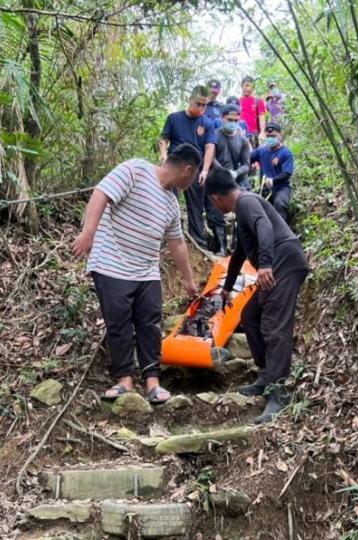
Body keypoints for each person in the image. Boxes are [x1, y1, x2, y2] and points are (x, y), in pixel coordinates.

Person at [73, 144, 202, 405]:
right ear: (187, 170)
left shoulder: (171, 203)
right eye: (195, 175)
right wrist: (89, 232)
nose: (193, 181)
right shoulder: (136, 170)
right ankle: (124, 380)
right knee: (119, 323)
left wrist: (188, 280)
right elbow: (101, 194)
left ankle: (152, 381)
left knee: (150, 322)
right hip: (112, 263)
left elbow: (176, 243)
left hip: (146, 270)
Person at [205, 169, 309, 424]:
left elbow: (264, 226)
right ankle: (266, 375)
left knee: (274, 325)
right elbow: (240, 252)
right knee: (250, 315)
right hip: (278, 263)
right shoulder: (242, 213)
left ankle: (278, 393)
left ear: (216, 197)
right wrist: (227, 287)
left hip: (284, 262)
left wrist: (265, 264)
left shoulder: (247, 201)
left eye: (210, 201)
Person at [159, 85, 218, 250]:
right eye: (197, 104)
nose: (200, 108)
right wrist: (163, 155)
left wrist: (205, 170)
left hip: (194, 169)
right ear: (189, 100)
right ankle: (168, 241)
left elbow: (209, 148)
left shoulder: (207, 123)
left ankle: (198, 243)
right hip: (174, 166)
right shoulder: (174, 118)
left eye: (204, 105)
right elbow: (163, 139)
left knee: (196, 207)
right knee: (170, 203)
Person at [210, 104, 253, 256]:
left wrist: (235, 173)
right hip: (217, 178)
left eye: (236, 120)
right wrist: (223, 172)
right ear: (222, 118)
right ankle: (221, 246)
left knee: (242, 214)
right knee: (214, 211)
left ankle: (237, 248)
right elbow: (211, 157)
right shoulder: (214, 136)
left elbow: (247, 165)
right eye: (230, 119)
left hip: (237, 180)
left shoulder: (242, 140)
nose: (233, 122)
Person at [250, 122, 294, 222]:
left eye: (273, 136)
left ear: (280, 135)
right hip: (264, 189)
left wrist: (273, 180)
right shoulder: (262, 150)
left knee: (280, 204)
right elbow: (248, 159)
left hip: (281, 188)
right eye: (268, 136)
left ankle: (283, 234)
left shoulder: (286, 153)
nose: (270, 138)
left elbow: (287, 173)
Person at [238, 76, 267, 147]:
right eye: (246, 85)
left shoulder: (258, 101)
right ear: (242, 86)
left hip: (254, 134)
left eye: (251, 87)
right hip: (239, 134)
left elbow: (261, 117)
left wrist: (262, 132)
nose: (248, 89)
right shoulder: (237, 102)